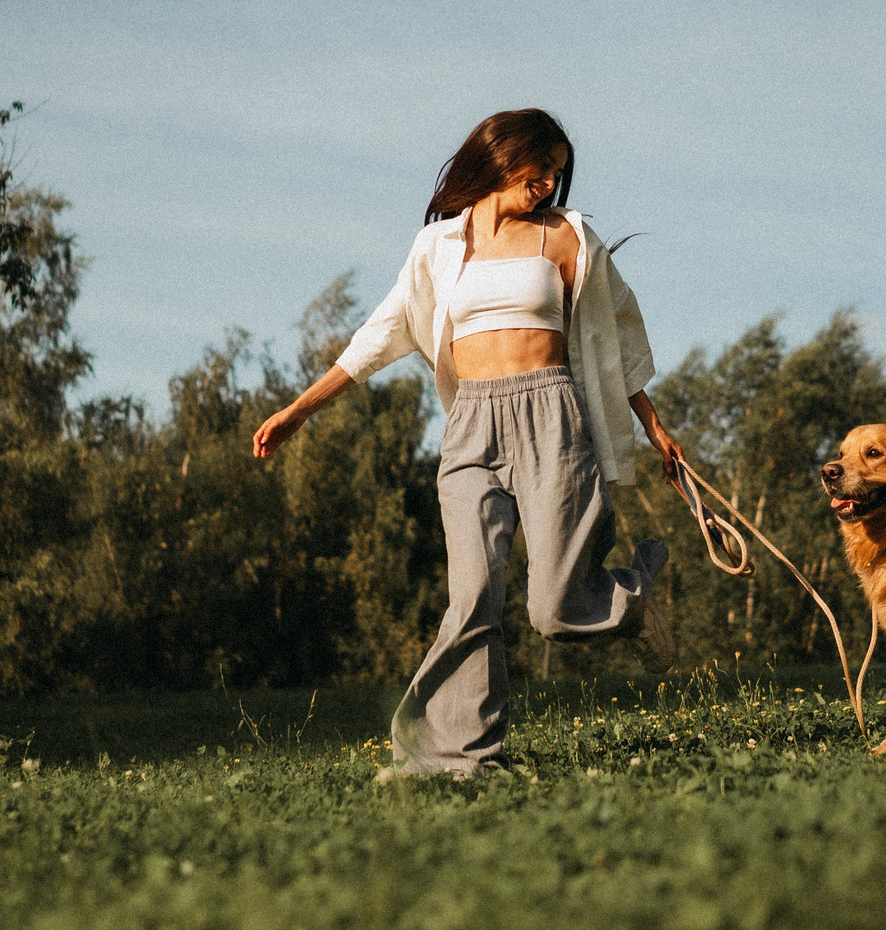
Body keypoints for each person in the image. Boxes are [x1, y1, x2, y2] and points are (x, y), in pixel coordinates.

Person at [252, 108, 685, 779]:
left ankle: (632, 596)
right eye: (541, 166)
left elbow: (613, 337)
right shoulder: (439, 246)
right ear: (503, 154)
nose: (549, 182)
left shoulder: (567, 236)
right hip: (470, 425)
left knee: (553, 609)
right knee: (472, 596)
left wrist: (653, 426)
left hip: (551, 417)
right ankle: (457, 757)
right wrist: (299, 410)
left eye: (558, 172)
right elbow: (383, 331)